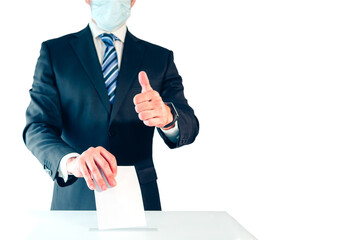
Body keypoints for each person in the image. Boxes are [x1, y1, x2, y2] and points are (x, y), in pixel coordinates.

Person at [23, 0, 199, 210]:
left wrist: (169, 117)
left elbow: (189, 123)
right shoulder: (55, 53)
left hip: (140, 199)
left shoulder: (159, 58)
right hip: (76, 199)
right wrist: (73, 162)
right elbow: (37, 127)